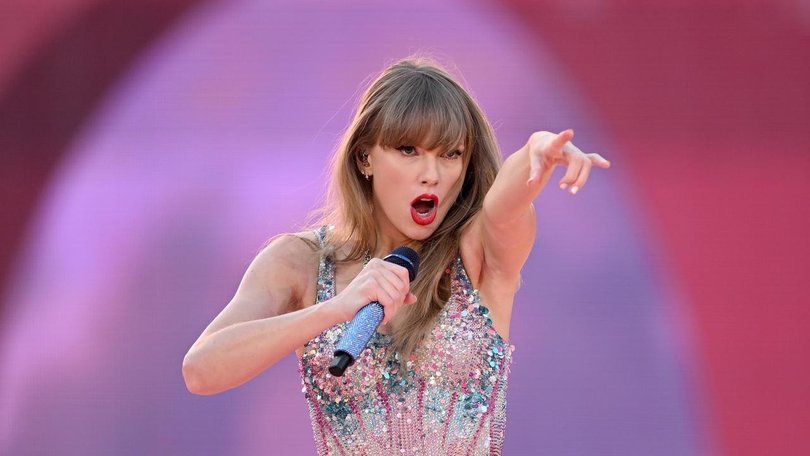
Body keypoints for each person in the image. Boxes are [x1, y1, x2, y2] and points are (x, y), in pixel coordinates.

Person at [182, 57, 610, 455]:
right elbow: (201, 370)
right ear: (365, 156)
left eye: (450, 154)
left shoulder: (477, 254)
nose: (432, 173)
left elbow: (505, 206)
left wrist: (536, 152)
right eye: (409, 150)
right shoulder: (301, 262)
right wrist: (336, 309)